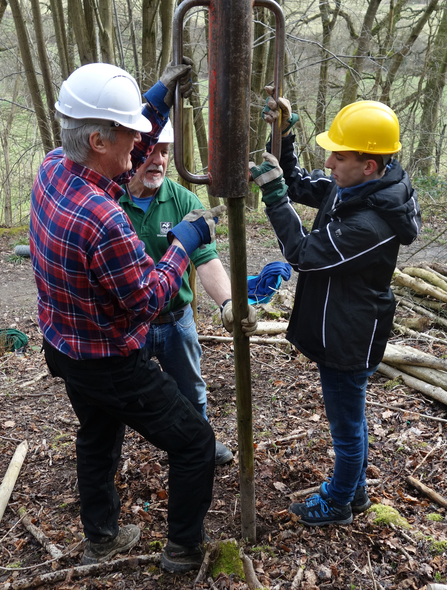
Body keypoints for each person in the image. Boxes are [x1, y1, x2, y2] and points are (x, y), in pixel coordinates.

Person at [29, 61, 226, 574]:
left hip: (66, 348)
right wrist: (184, 242)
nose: (140, 143)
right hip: (112, 362)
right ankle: (184, 550)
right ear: (98, 139)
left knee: (97, 433)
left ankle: (102, 536)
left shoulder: (53, 167)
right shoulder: (106, 220)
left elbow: (111, 144)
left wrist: (154, 99)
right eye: (131, 133)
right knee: (195, 443)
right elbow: (148, 299)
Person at [251, 96, 421, 526]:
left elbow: (304, 254)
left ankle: (340, 501)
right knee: (352, 419)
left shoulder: (372, 224)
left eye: (339, 155)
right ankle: (357, 491)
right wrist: (284, 137)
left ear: (369, 164)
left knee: (346, 430)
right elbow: (300, 184)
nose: (328, 162)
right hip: (341, 326)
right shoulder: (358, 191)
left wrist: (273, 199)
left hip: (350, 336)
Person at [120, 119, 257, 465]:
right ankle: (110, 456)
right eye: (152, 151)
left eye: (165, 152)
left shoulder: (182, 198)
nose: (160, 161)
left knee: (191, 390)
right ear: (133, 151)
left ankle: (200, 444)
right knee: (117, 395)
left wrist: (230, 303)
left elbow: (205, 258)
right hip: (127, 325)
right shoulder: (110, 197)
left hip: (175, 320)